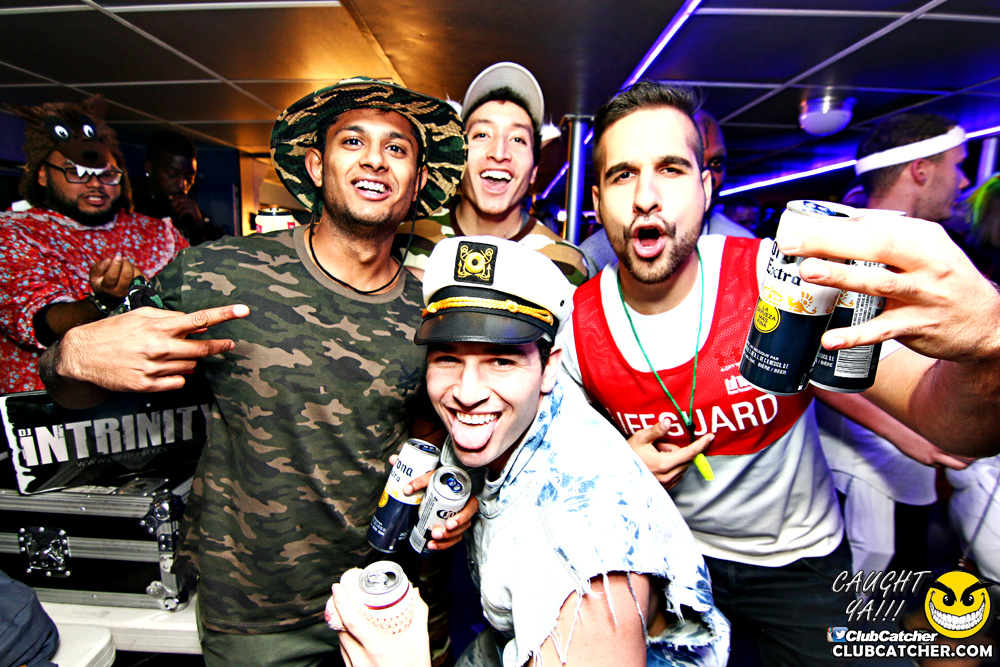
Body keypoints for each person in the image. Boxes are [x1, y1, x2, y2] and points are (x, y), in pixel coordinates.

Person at [559, 81, 1000, 666]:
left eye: (670, 168)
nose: (645, 196)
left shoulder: (779, 278)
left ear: (706, 186)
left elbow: (951, 424)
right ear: (595, 201)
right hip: (671, 561)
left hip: (799, 564)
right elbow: (560, 474)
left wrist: (988, 345)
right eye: (622, 175)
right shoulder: (576, 326)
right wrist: (623, 472)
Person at [38, 77, 473, 667]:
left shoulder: (433, 310)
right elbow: (78, 390)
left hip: (391, 600)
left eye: (396, 148)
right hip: (257, 616)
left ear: (418, 181)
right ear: (316, 165)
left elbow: (443, 435)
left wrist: (460, 487)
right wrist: (68, 355)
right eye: (353, 141)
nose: (375, 159)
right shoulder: (216, 273)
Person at [378, 235, 728, 666]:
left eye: (501, 361)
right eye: (447, 358)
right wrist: (467, 487)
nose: (466, 393)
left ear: (550, 367)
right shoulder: (518, 417)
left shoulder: (585, 545)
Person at [819, 114, 975, 578]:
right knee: (866, 592)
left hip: (911, 462)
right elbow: (815, 361)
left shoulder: (929, 249)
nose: (964, 181)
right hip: (865, 466)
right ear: (921, 170)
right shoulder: (850, 246)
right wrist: (909, 434)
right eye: (957, 165)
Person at [0, 96, 187, 394]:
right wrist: (103, 303)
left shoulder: (158, 231)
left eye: (107, 175)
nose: (95, 184)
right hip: (56, 404)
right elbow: (38, 323)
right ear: (42, 175)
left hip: (151, 399)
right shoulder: (14, 232)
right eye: (76, 172)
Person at [393, 62, 593, 286]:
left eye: (517, 139)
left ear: (534, 170)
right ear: (460, 156)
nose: (499, 153)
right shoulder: (402, 239)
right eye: (482, 135)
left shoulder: (567, 265)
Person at [579, 107, 750, 271]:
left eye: (716, 163)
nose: (710, 177)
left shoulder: (747, 256)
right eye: (670, 169)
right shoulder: (594, 258)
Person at [132, 130, 226, 245]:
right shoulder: (130, 208)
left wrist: (200, 223)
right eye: (172, 174)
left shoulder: (191, 214)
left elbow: (224, 252)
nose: (182, 184)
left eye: (189, 177)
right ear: (149, 168)